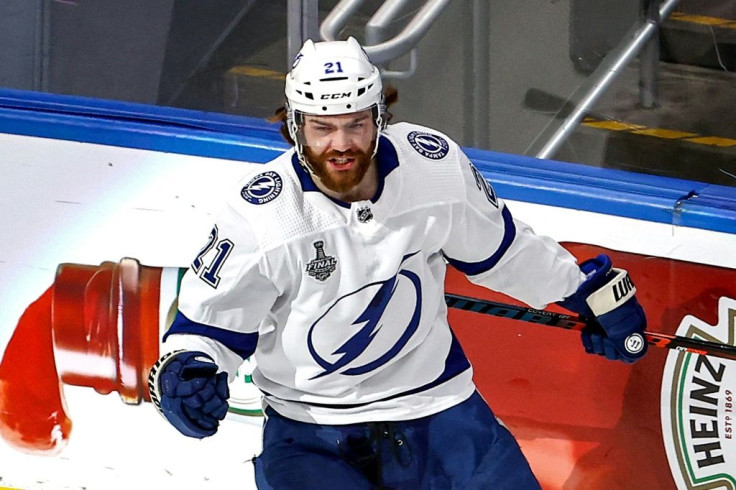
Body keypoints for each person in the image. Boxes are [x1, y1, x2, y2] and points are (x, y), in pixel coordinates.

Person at [148, 37, 648, 489]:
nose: (341, 145)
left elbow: (505, 250)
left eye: (355, 125)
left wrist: (588, 294)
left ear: (379, 118)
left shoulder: (431, 168)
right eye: (322, 128)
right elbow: (207, 329)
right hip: (313, 435)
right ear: (295, 126)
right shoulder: (263, 215)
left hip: (439, 411)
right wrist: (185, 375)